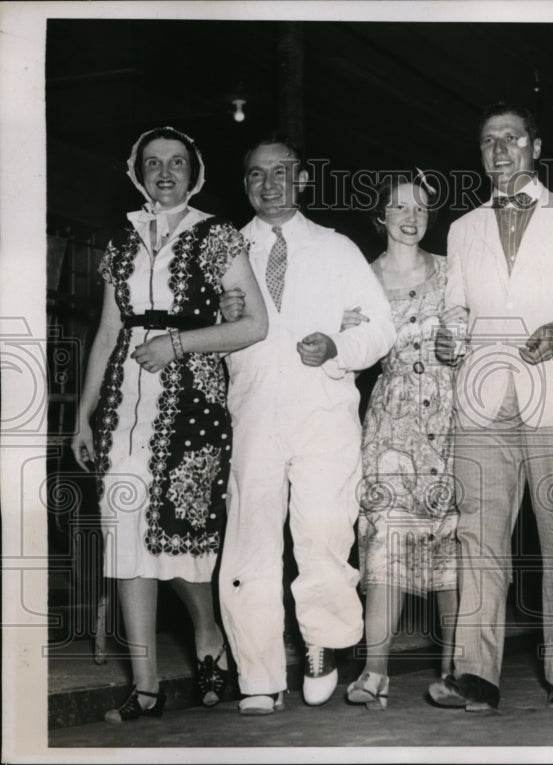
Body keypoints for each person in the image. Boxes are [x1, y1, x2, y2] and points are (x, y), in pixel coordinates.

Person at [427, 102, 553, 713]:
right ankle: (476, 676)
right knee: (478, 540)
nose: (499, 150)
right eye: (489, 140)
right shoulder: (462, 229)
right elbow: (457, 306)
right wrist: (449, 332)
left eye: (511, 139)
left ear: (535, 148)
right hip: (482, 402)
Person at [69, 127, 268, 723]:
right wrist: (83, 416)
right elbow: (108, 333)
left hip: (192, 405)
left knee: (183, 544)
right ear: (137, 172)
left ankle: (208, 635)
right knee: (124, 537)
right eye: (153, 163)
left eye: (176, 163)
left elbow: (252, 324)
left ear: (194, 172)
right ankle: (147, 685)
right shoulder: (121, 240)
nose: (165, 173)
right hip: (124, 409)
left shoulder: (217, 235)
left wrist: (177, 344)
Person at [217, 135, 395, 716]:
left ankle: (321, 643)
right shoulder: (224, 248)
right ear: (245, 183)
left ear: (303, 180)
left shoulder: (337, 248)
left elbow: (378, 330)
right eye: (256, 174)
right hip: (251, 410)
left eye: (282, 172)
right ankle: (258, 675)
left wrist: (338, 344)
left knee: (322, 533)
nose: (269, 185)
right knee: (251, 541)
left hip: (323, 409)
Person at [346, 173, 459, 710]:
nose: (410, 217)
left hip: (452, 419)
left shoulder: (453, 272)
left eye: (420, 208)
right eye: (398, 207)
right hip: (391, 424)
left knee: (451, 545)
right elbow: (352, 348)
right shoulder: (361, 279)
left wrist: (458, 345)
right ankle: (374, 671)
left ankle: (455, 669)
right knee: (387, 542)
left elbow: (477, 333)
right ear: (381, 217)